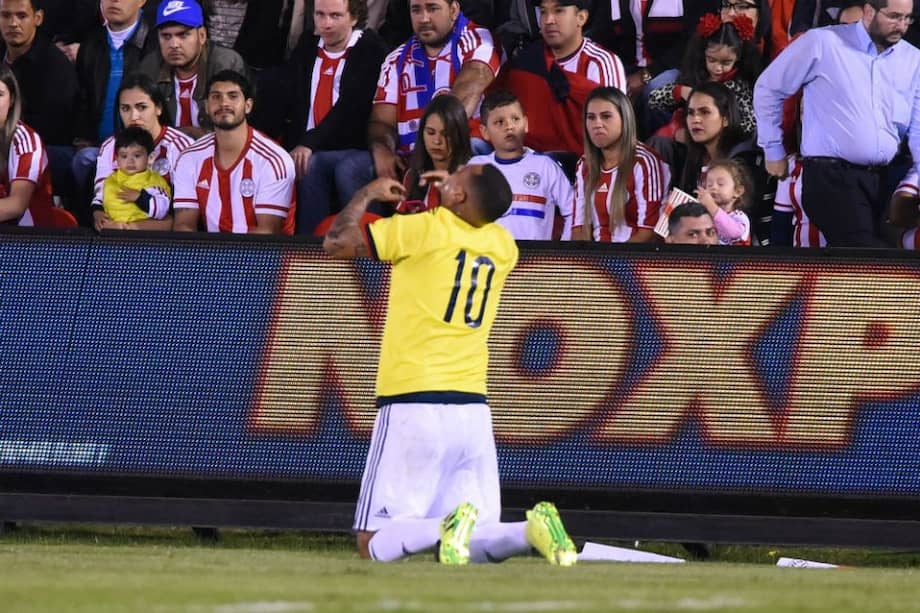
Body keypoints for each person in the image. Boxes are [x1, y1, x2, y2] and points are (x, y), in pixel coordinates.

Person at [323, 163, 578, 567]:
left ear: (458, 197)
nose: (450, 174)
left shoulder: (426, 229)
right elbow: (468, 222)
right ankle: (526, 531)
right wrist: (453, 191)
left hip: (413, 399)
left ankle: (442, 525)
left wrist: (366, 194)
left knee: (372, 541)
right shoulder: (502, 246)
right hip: (472, 408)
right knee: (475, 541)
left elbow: (336, 243)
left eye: (458, 174)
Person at [754, 0, 920, 248]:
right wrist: (773, 148)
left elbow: (917, 128)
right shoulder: (822, 43)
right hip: (830, 177)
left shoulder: (913, 59)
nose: (902, 26)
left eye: (908, 18)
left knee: (887, 260)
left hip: (883, 178)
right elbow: (769, 88)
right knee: (869, 259)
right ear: (869, 11)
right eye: (894, 17)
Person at [275, 0, 388, 235]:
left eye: (335, 16)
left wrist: (309, 142)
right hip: (308, 145)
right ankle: (309, 251)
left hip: (354, 146)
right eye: (320, 15)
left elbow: (352, 107)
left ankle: (366, 245)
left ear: (354, 17)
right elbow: (288, 96)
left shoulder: (370, 48)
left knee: (323, 166)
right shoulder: (307, 45)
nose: (326, 24)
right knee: (298, 164)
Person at [361, 0, 502, 182]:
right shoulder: (395, 60)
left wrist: (426, 152)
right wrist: (382, 150)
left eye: (432, 8)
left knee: (472, 149)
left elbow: (467, 91)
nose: (424, 18)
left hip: (460, 148)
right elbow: (381, 121)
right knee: (353, 167)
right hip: (409, 159)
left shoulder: (477, 39)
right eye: (416, 10)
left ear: (453, 10)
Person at [172, 70, 295, 234]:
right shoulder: (189, 158)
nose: (224, 103)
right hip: (208, 255)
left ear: (248, 105)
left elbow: (267, 233)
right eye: (216, 97)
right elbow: (184, 225)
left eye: (233, 96)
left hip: (264, 256)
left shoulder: (274, 160)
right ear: (207, 107)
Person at [499, 0, 626, 155]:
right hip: (532, 163)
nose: (548, 20)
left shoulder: (601, 63)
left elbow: (615, 132)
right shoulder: (526, 62)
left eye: (559, 11)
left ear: (581, 17)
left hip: (587, 164)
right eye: (544, 12)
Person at [73, 0, 159, 209]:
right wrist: (84, 137)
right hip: (97, 147)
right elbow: (81, 98)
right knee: (82, 160)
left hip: (147, 149)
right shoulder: (91, 42)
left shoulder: (156, 44)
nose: (114, 0)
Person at [0, 0, 79, 204]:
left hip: (43, 148)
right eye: (6, 16)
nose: (13, 23)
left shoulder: (56, 66)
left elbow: (51, 129)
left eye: (21, 16)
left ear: (38, 18)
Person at [91, 73, 194, 230]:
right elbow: (101, 198)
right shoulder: (110, 147)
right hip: (115, 230)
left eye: (142, 107)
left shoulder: (181, 146)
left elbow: (182, 216)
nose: (134, 116)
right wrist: (99, 217)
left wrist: (131, 227)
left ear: (158, 108)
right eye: (125, 109)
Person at [468, 89, 574, 240]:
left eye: (515, 119)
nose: (509, 126)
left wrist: (560, 254)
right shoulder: (475, 168)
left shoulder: (545, 166)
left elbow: (574, 212)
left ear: (526, 124)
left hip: (534, 261)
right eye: (499, 122)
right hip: (489, 261)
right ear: (484, 131)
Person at [572, 86, 670, 243]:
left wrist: (614, 264)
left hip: (635, 260)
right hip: (595, 260)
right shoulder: (584, 165)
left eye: (606, 116)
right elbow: (579, 227)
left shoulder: (644, 162)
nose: (597, 124)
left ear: (625, 119)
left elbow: (649, 232)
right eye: (591, 117)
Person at [139, 0, 248, 140]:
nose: (173, 44)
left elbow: (237, 129)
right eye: (166, 36)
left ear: (202, 36)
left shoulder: (226, 65)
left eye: (183, 35)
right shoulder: (149, 67)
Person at [648, 14, 760, 138]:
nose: (718, 68)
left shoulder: (738, 87)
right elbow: (653, 100)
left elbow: (749, 125)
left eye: (726, 63)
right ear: (703, 55)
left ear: (738, 59)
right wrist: (680, 92)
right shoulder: (696, 78)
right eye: (712, 60)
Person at [0, 64, 55, 227]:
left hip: (27, 238)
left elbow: (16, 205)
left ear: (12, 100)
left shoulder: (26, 141)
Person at [400, 94, 472, 211]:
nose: (437, 141)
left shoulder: (471, 175)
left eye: (446, 134)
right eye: (430, 133)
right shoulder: (411, 175)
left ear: (459, 135)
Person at [97, 126, 171, 230]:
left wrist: (140, 198)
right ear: (117, 159)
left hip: (144, 234)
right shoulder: (110, 180)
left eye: (137, 156)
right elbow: (99, 199)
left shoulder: (154, 181)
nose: (130, 161)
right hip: (112, 230)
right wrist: (99, 215)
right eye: (124, 156)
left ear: (150, 158)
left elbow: (162, 210)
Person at [695, 157, 752, 245]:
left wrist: (712, 207)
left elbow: (733, 233)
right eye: (709, 185)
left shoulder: (740, 217)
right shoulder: (706, 215)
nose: (713, 187)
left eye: (720, 184)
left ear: (737, 191)